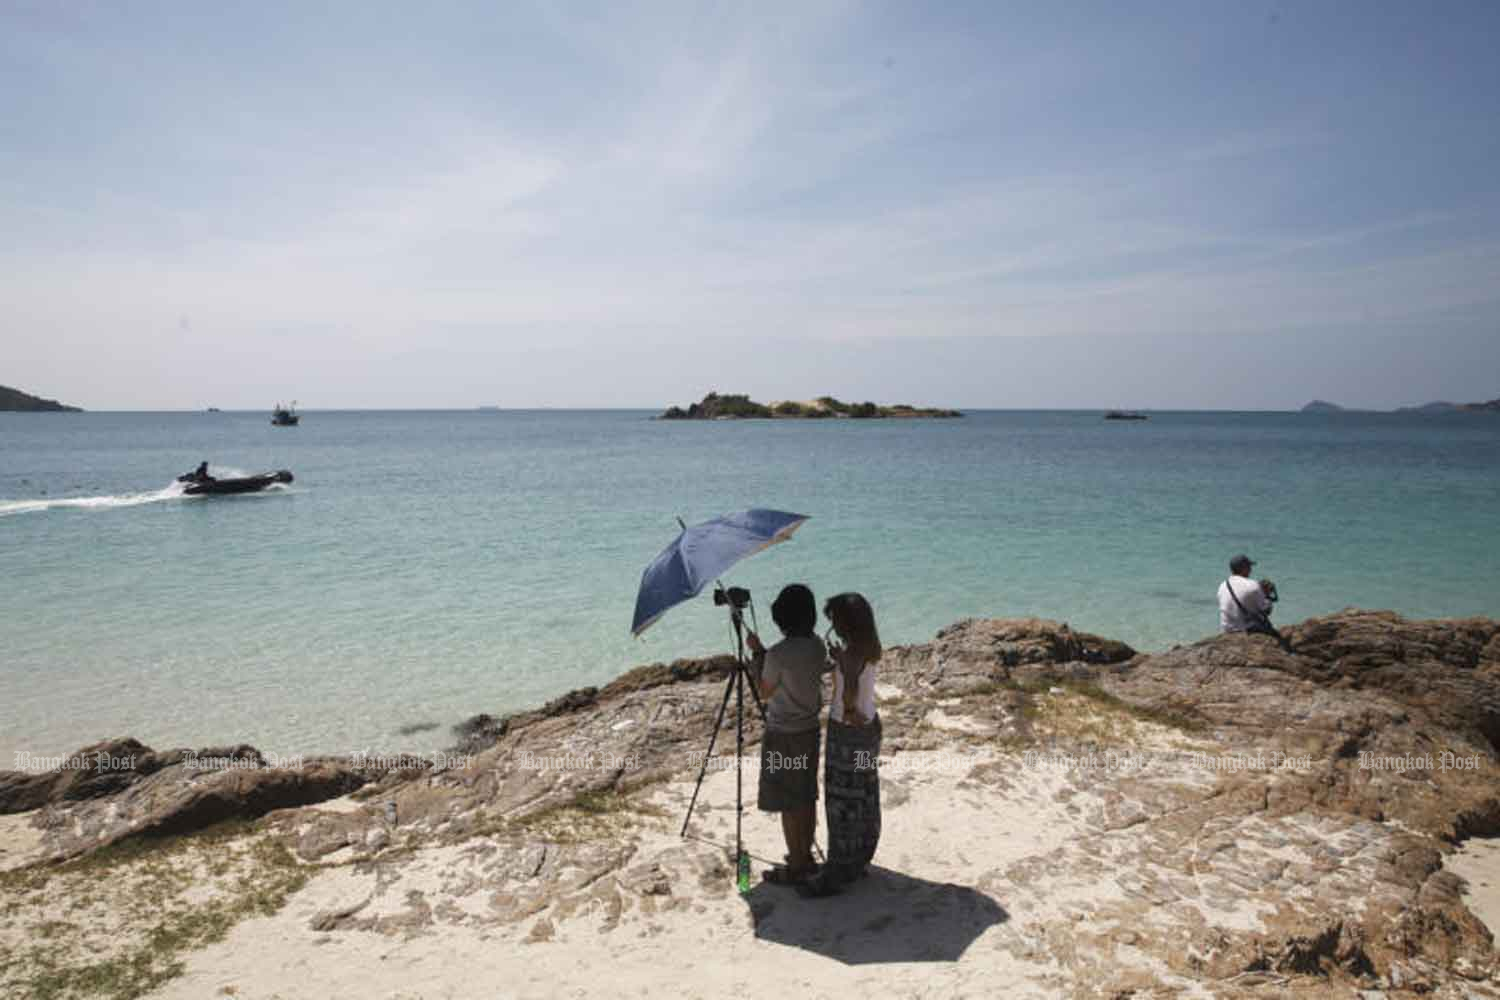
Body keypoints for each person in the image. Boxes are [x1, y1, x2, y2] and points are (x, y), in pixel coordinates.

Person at [800, 592, 884, 898]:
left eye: (834, 618)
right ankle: (859, 857)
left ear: (845, 622)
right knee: (864, 793)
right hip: (869, 732)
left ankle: (837, 871)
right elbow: (857, 680)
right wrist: (840, 662)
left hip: (848, 735)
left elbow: (849, 694)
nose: (831, 623)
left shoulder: (851, 656)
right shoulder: (868, 649)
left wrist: (848, 710)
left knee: (842, 801)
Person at [746, 584, 829, 885]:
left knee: (787, 800)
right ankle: (803, 855)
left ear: (781, 617)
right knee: (805, 795)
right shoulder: (817, 645)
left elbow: (765, 692)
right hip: (809, 731)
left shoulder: (777, 654)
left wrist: (757, 655)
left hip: (783, 734)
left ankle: (796, 865)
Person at [1218, 554, 1276, 635]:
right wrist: (1266, 595)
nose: (1250, 570)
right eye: (1249, 567)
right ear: (1244, 569)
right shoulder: (1252, 584)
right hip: (1245, 629)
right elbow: (1266, 610)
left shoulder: (1223, 585)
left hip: (1226, 629)